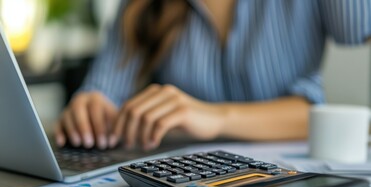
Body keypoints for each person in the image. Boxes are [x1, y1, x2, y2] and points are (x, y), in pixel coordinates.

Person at [54, 0, 371, 151]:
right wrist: (90, 109)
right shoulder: (142, 7)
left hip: (288, 173)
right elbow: (104, 92)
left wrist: (215, 117)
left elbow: (312, 112)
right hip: (187, 177)